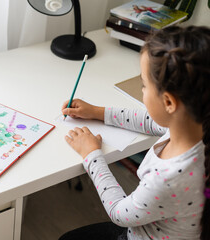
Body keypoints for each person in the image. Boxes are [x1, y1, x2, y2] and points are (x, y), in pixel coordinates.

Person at [59, 25, 210, 240]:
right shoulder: (195, 126)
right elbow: (150, 122)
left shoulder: (168, 178)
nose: (142, 91)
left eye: (144, 85)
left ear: (168, 101)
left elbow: (119, 213)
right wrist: (96, 112)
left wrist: (91, 154)